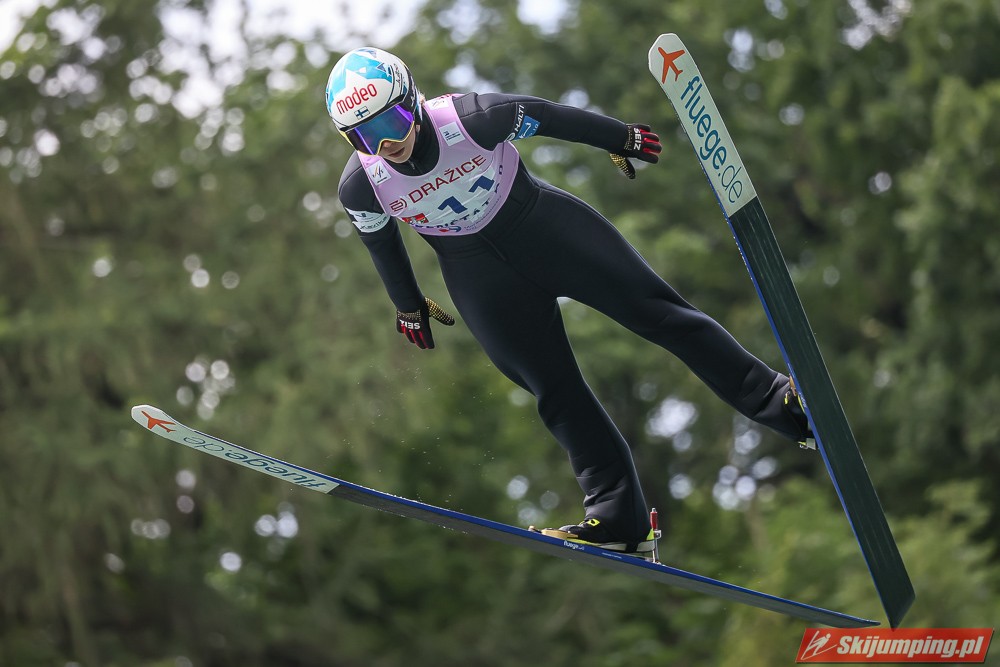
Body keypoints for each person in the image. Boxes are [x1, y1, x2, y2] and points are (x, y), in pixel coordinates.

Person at [328, 47, 813, 556]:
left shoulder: (473, 119)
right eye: (365, 136)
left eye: (392, 123)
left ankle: (779, 403)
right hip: (479, 278)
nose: (386, 144)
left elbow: (549, 115)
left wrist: (620, 137)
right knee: (554, 391)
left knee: (659, 314)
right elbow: (381, 244)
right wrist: (407, 304)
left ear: (413, 101)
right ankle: (618, 518)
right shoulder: (362, 186)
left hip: (548, 232)